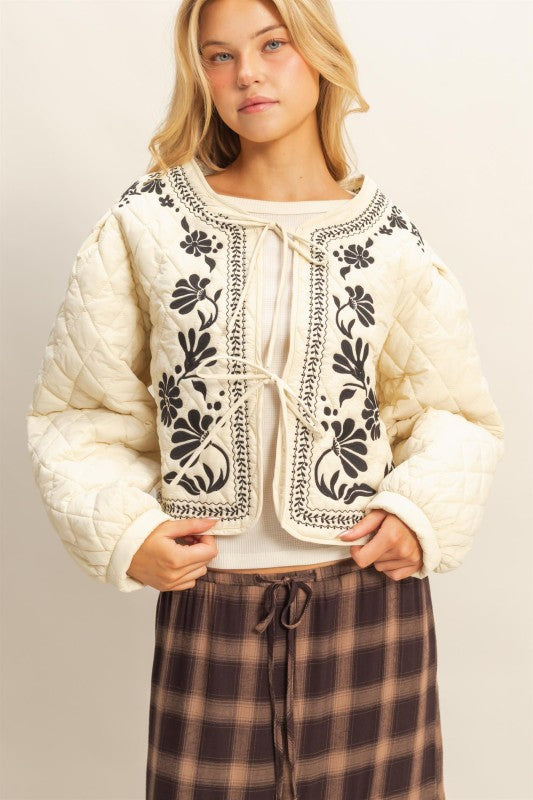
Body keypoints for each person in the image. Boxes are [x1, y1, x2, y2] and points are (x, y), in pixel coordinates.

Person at [26, 0, 505, 798]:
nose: (245, 72)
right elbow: (80, 414)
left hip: (370, 604)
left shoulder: (387, 239)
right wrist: (127, 531)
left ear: (318, 54)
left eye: (271, 44)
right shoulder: (148, 226)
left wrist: (416, 515)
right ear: (200, 76)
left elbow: (450, 413)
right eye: (219, 55)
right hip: (210, 605)